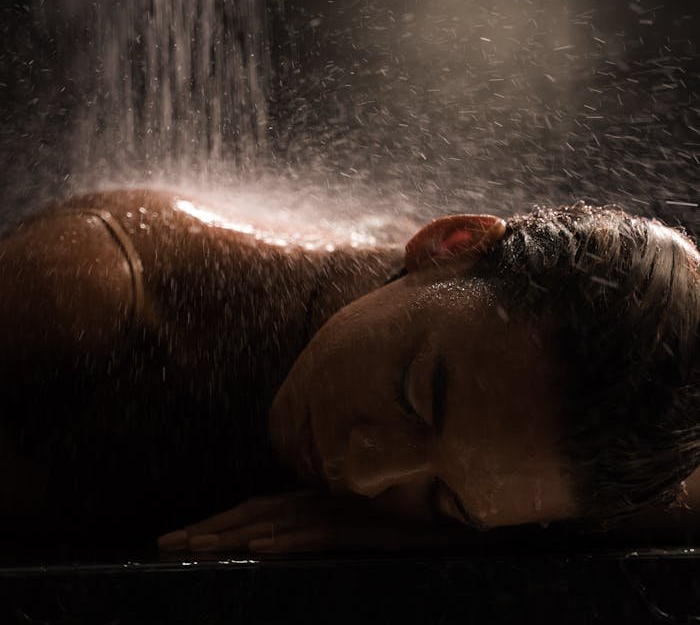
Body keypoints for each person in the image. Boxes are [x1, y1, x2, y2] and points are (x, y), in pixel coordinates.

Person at [1, 186, 699, 557]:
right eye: (414, 398)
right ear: (446, 244)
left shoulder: (498, 375)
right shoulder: (87, 295)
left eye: (441, 497)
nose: (361, 473)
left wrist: (433, 532)